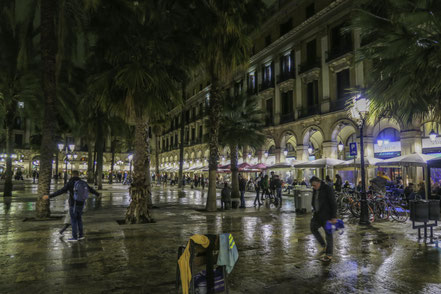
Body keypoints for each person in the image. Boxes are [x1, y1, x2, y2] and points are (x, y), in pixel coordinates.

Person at [42, 170, 100, 242]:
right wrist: (97, 194)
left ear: (72, 175)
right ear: (78, 175)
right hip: (81, 203)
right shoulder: (83, 182)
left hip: (73, 204)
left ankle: (74, 237)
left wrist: (49, 196)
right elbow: (90, 189)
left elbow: (61, 191)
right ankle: (81, 235)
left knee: (73, 220)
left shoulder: (70, 183)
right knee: (79, 219)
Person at [310, 176, 337, 262]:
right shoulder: (315, 189)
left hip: (327, 215)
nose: (313, 187)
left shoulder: (327, 189)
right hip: (317, 215)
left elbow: (333, 202)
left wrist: (333, 217)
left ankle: (329, 254)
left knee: (328, 234)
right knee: (313, 228)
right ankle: (323, 244)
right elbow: (315, 200)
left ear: (319, 182)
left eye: (314, 185)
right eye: (312, 186)